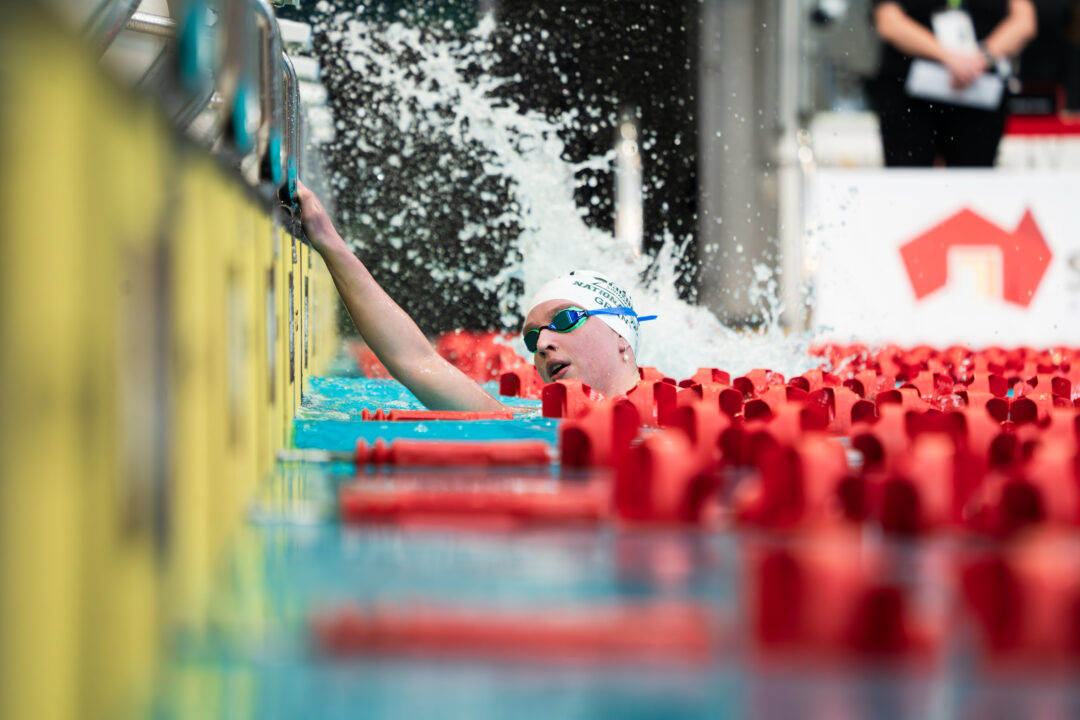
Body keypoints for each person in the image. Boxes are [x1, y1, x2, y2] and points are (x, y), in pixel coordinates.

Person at [296, 180, 656, 410]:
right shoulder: (525, 421)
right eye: (531, 337)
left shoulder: (693, 414)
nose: (542, 343)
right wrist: (328, 242)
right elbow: (415, 360)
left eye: (564, 319)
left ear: (621, 337)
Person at [869, 0, 1037, 166]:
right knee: (910, 178)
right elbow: (888, 21)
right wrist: (949, 58)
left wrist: (980, 59)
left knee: (974, 181)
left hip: (978, 93)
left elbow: (1024, 21)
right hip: (910, 93)